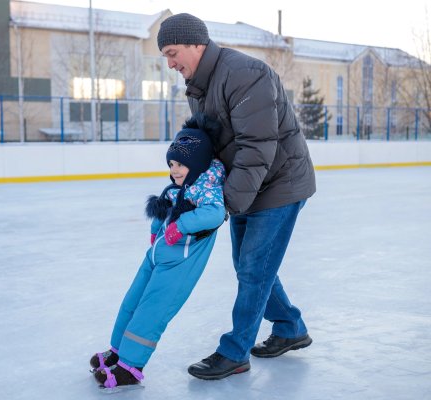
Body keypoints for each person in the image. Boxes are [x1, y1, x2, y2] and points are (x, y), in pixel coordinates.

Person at [156, 13, 317, 380]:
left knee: (253, 268)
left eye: (173, 52)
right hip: (248, 183)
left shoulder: (244, 74)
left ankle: (235, 351)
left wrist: (222, 206)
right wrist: (193, 186)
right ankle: (290, 327)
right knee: (249, 266)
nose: (170, 63)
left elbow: (257, 147)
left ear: (196, 44)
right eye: (165, 56)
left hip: (279, 182)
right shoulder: (200, 85)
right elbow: (210, 145)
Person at [90, 114, 227, 391]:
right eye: (172, 164)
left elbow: (215, 214)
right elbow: (164, 208)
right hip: (156, 255)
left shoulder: (206, 190)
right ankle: (117, 351)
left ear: (198, 163)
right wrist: (156, 229)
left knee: (151, 312)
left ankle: (131, 366)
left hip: (178, 265)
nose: (175, 170)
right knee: (132, 302)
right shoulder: (178, 187)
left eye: (181, 164)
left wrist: (183, 225)